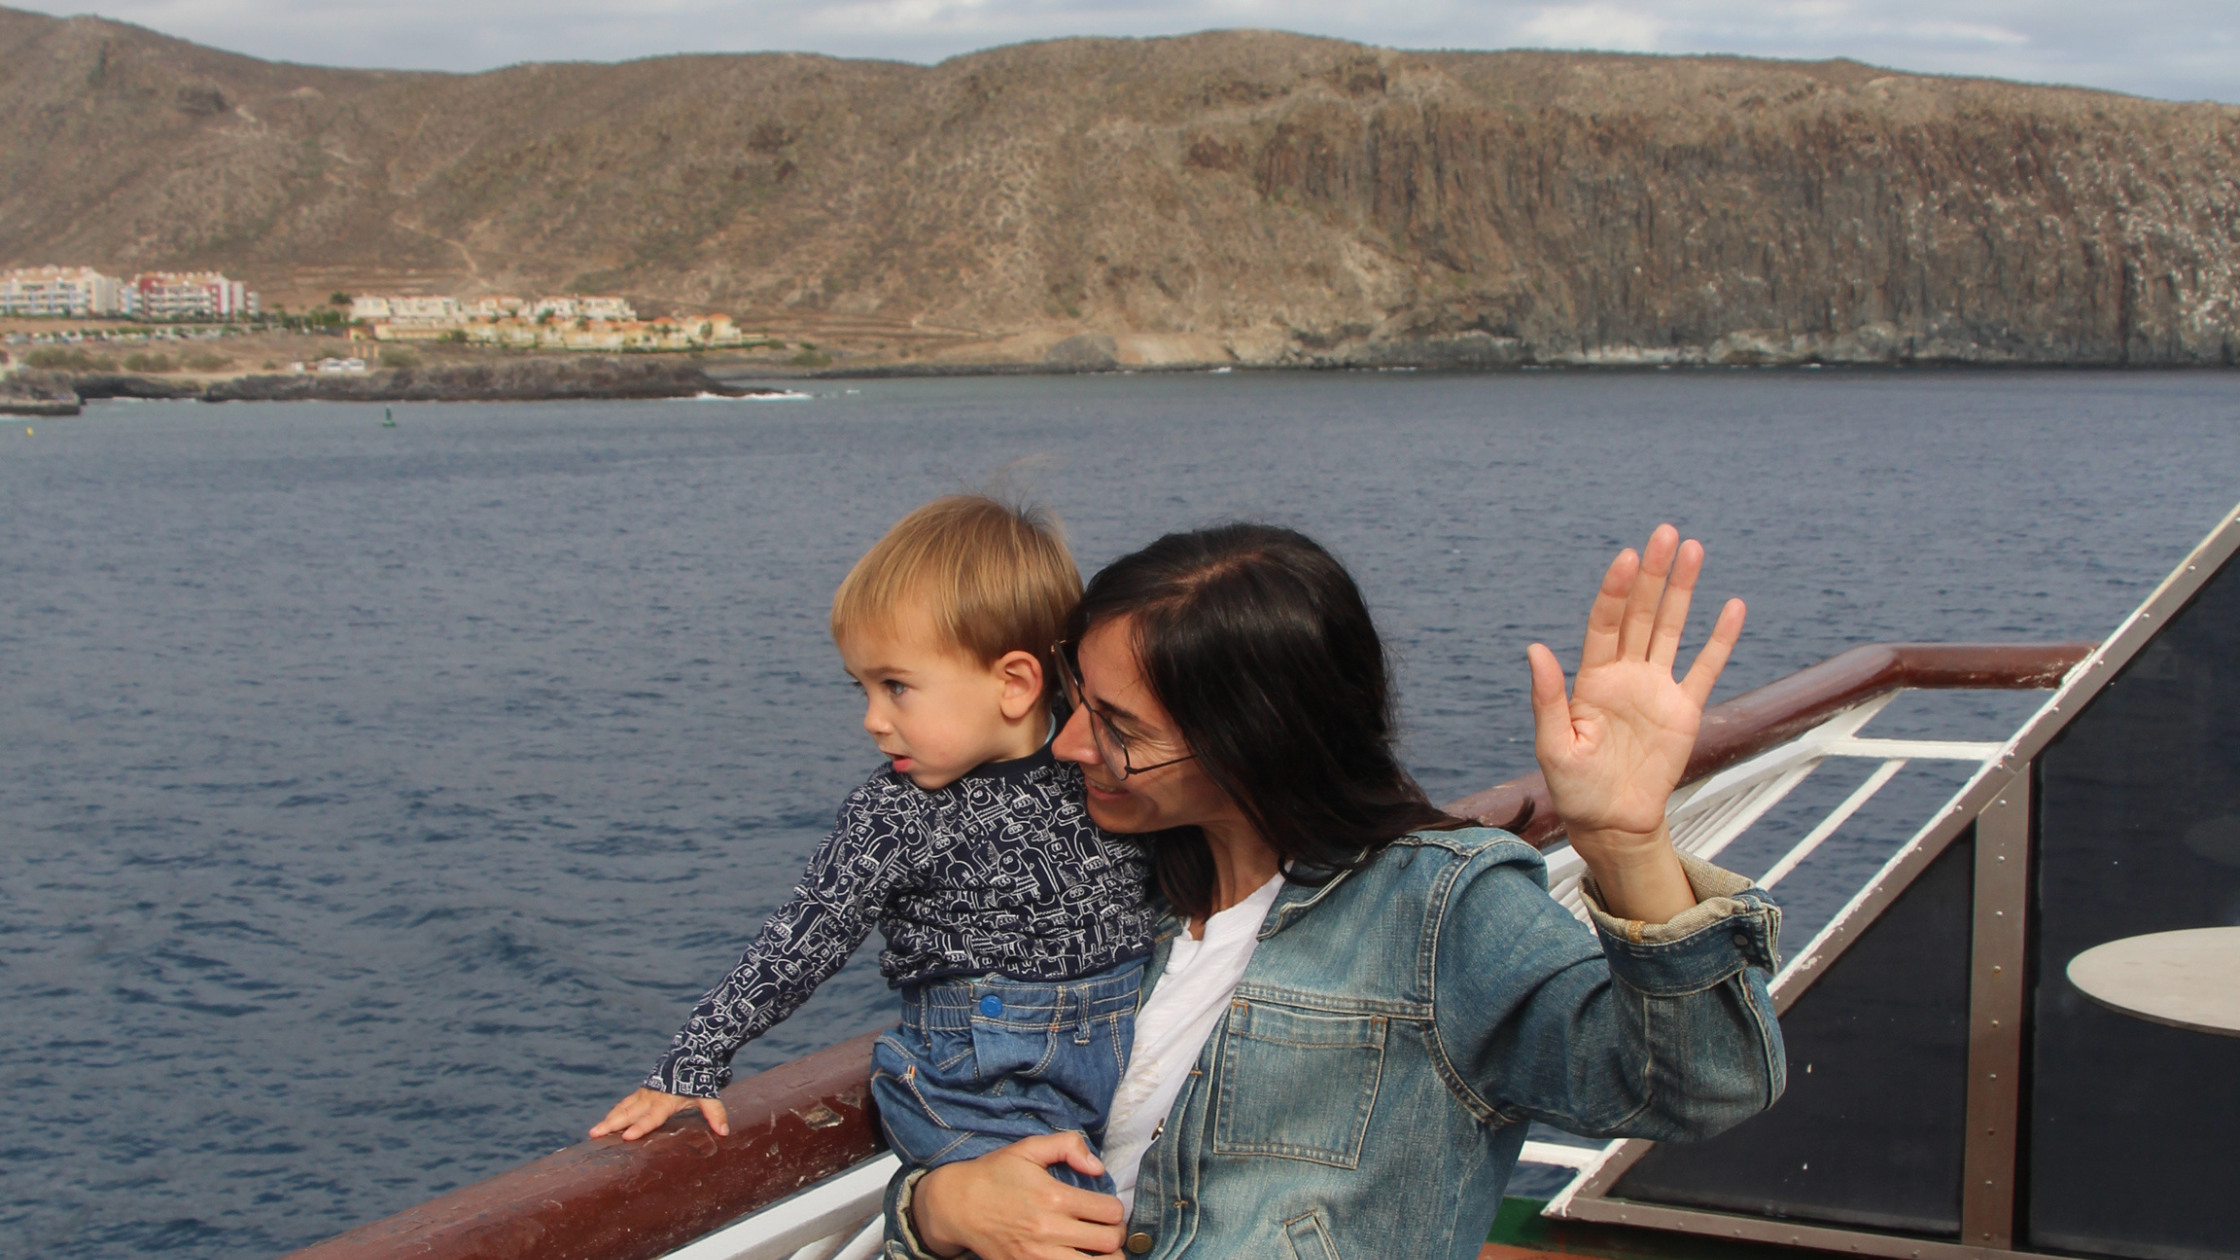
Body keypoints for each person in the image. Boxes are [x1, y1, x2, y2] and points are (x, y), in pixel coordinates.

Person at [883, 521, 1786, 1260]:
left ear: (1254, 741)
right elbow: (970, 1107)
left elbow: (1704, 1087)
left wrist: (1628, 848)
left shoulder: (1436, 913)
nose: (1074, 745)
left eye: (1120, 727)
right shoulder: (1099, 889)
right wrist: (938, 1206)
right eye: (1076, 700)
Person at [590, 495, 1157, 1193]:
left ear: (1014, 683)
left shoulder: (1101, 764)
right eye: (862, 688)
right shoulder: (896, 811)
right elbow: (803, 937)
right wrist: (693, 1061)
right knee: (1072, 1222)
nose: (872, 720)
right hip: (980, 1086)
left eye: (896, 687)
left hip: (1132, 1058)